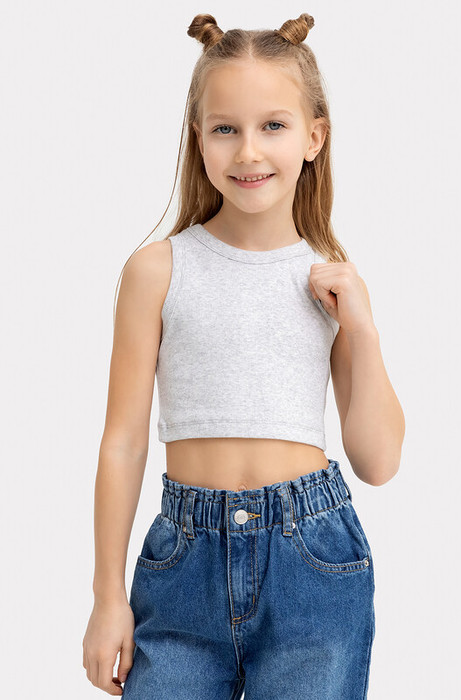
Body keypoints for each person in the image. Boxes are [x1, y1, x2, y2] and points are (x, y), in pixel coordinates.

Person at [82, 12, 405, 699]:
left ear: (314, 137)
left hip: (312, 565)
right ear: (197, 137)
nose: (248, 151)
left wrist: (363, 329)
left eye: (273, 126)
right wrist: (107, 597)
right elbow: (123, 442)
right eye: (225, 128)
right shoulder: (157, 270)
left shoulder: (330, 279)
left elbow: (377, 461)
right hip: (181, 567)